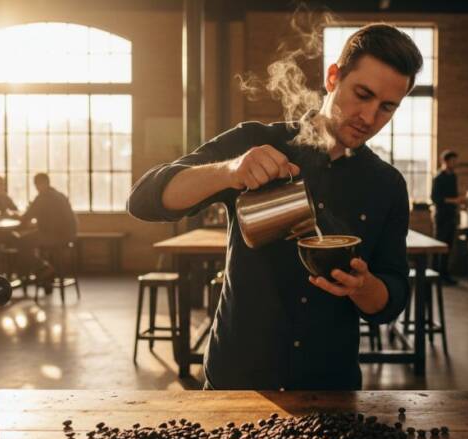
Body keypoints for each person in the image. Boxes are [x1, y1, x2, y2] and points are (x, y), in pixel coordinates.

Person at [129, 23, 421, 390]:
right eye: (362, 94)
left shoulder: (387, 185)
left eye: (387, 107)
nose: (369, 117)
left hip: (329, 387)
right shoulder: (254, 141)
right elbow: (143, 200)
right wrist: (229, 171)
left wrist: (363, 287)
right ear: (333, 77)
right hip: (237, 379)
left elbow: (391, 299)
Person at [17, 173, 78, 290]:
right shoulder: (60, 195)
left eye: (36, 185)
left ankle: (43, 268)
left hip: (53, 236)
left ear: (41, 184)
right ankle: (46, 275)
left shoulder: (42, 197)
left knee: (22, 242)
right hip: (68, 236)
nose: (36, 188)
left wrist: (18, 220)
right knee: (34, 240)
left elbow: (27, 218)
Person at [430, 149, 465, 284]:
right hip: (442, 216)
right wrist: (454, 200)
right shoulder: (438, 178)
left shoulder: (453, 176)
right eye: (452, 161)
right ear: (444, 161)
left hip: (451, 215)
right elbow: (435, 198)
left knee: (448, 246)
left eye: (455, 161)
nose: (455, 163)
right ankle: (436, 275)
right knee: (439, 245)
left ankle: (444, 275)